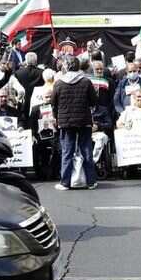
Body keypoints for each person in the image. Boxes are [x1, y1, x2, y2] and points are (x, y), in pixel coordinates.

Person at [51, 57, 98, 190]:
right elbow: (94, 101)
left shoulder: (59, 83)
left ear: (66, 66)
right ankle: (91, 182)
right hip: (84, 121)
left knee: (67, 152)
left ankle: (65, 182)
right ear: (78, 67)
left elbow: (53, 104)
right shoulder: (86, 81)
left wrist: (56, 118)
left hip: (66, 122)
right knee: (87, 151)